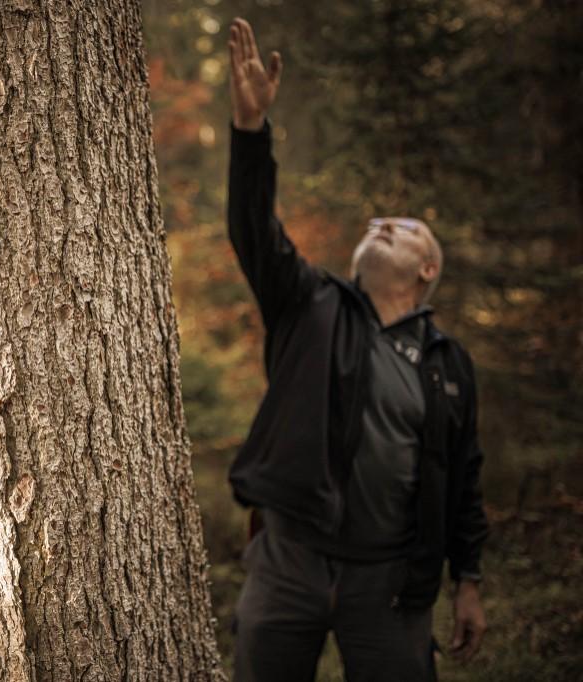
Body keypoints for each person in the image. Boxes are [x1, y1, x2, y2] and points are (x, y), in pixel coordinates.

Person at [224, 17, 489, 682]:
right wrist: (251, 130)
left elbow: (463, 476)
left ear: (427, 269)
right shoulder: (310, 303)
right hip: (289, 563)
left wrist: (469, 581)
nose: (381, 224)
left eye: (401, 228)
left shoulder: (446, 364)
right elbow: (254, 228)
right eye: (375, 223)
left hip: (392, 581)